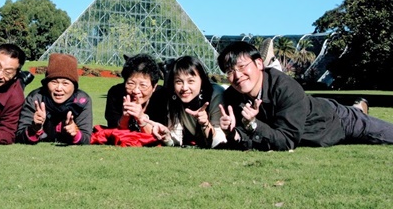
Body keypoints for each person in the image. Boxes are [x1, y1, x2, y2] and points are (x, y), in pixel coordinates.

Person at [217, 41, 393, 151]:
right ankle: (358, 108)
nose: (237, 75)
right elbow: (250, 139)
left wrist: (254, 124)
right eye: (230, 71)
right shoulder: (232, 97)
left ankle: (357, 111)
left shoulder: (285, 88)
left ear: (259, 64)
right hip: (310, 111)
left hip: (337, 121)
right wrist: (233, 134)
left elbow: (286, 141)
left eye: (242, 67)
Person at [16, 53, 93, 145]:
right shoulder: (36, 98)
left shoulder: (81, 101)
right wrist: (34, 128)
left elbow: (86, 138)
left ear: (74, 86)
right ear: (46, 84)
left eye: (65, 83)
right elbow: (19, 136)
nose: (59, 88)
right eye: (54, 82)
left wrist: (75, 133)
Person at [152, 55, 227, 148]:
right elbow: (176, 139)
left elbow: (220, 141)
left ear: (202, 80)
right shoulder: (173, 96)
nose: (184, 88)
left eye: (191, 81)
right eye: (179, 82)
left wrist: (205, 123)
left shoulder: (215, 94)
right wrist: (166, 136)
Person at [104, 54, 168, 134]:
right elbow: (114, 131)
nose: (136, 91)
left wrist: (141, 118)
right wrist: (125, 118)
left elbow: (162, 134)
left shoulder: (162, 96)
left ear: (154, 87)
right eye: (131, 83)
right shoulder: (115, 94)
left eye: (143, 85)